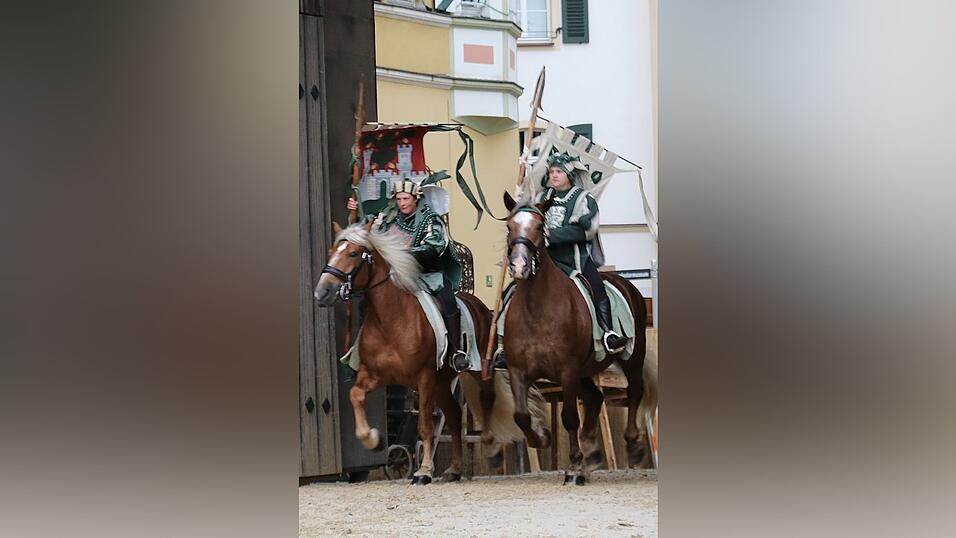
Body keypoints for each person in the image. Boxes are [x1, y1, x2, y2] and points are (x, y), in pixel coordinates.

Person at [347, 180, 470, 371]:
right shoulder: (389, 217)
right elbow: (367, 229)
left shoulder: (431, 219)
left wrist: (403, 252)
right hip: (398, 276)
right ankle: (366, 347)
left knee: (448, 300)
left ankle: (456, 350)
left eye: (406, 198)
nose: (402, 203)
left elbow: (435, 246)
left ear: (415, 198)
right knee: (366, 300)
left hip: (428, 274)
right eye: (398, 199)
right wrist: (355, 214)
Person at [535, 152, 627, 354]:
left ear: (569, 174)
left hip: (576, 259)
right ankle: (503, 343)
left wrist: (551, 235)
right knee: (517, 288)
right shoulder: (541, 197)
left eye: (559, 171)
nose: (554, 176)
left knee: (596, 287)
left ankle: (608, 332)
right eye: (551, 172)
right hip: (546, 260)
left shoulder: (583, 198)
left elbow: (587, 230)